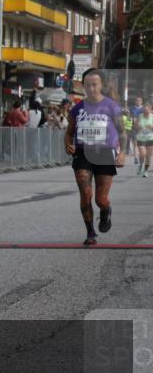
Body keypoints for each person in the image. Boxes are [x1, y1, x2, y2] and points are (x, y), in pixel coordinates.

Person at [64, 69, 125, 246]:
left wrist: (121, 153)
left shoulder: (111, 107)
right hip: (83, 153)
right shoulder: (77, 108)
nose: (91, 88)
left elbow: (122, 132)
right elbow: (68, 133)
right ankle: (90, 231)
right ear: (83, 86)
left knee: (101, 199)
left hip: (105, 153)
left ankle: (106, 210)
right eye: (87, 85)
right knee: (85, 192)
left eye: (94, 85)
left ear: (101, 86)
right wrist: (68, 145)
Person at [134, 101, 153, 177]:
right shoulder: (140, 116)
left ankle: (145, 171)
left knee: (148, 156)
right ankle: (141, 164)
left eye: (147, 111)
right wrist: (138, 127)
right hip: (141, 138)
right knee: (143, 154)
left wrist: (151, 127)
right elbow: (135, 126)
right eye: (144, 110)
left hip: (150, 139)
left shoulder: (152, 117)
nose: (146, 112)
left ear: (150, 110)